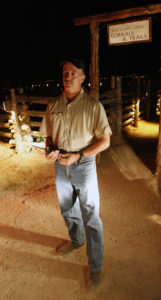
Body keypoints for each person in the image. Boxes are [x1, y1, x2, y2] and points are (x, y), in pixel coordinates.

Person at [40, 58, 112, 288]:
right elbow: (49, 137)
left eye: (73, 72)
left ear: (83, 78)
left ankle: (96, 267)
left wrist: (79, 156)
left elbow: (105, 141)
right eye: (65, 72)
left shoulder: (93, 106)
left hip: (83, 165)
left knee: (91, 216)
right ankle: (76, 241)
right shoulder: (53, 106)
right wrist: (49, 150)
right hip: (61, 165)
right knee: (67, 208)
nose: (68, 76)